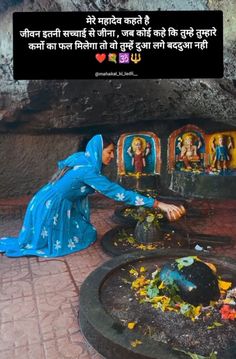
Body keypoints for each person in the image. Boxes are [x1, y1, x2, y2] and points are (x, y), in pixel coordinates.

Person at [0, 134, 185, 258]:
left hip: (44, 200)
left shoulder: (83, 158)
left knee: (87, 233)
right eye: (109, 152)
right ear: (98, 151)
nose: (112, 157)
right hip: (51, 207)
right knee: (57, 243)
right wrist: (158, 204)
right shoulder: (88, 171)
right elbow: (119, 194)